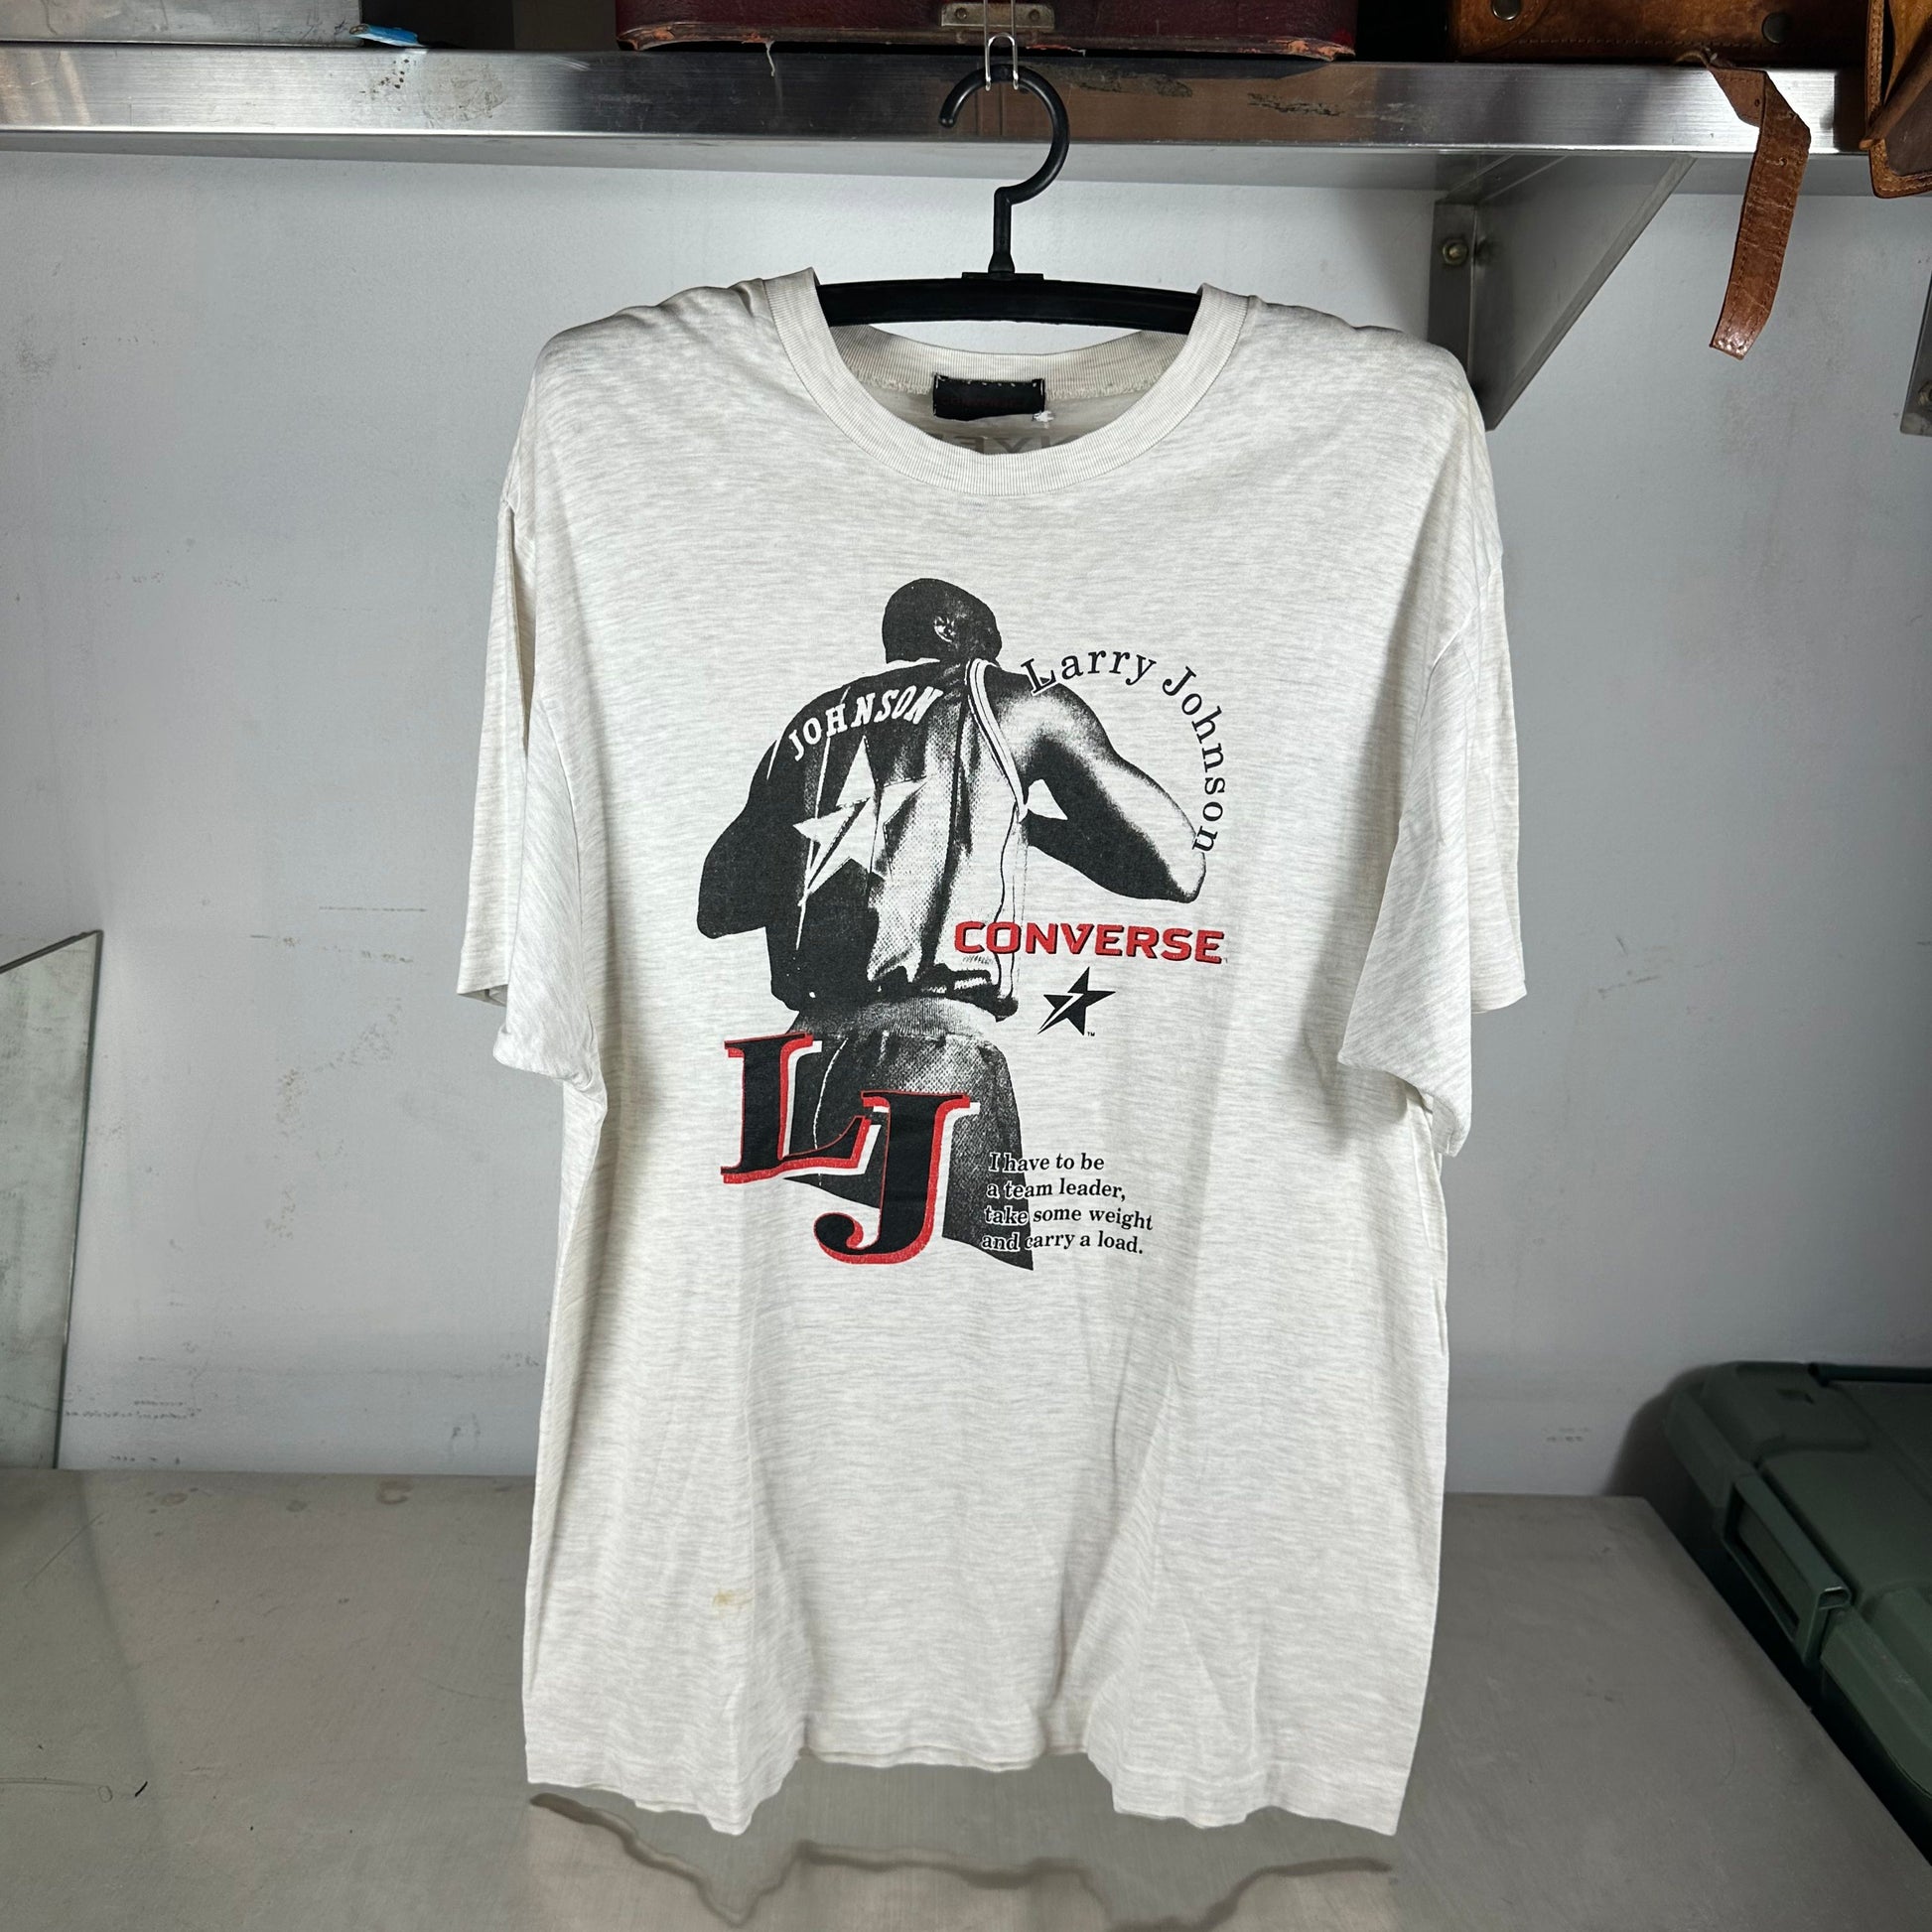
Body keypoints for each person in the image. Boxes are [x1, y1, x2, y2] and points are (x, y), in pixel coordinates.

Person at [699, 577, 1201, 1267]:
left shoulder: (809, 727)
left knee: (821, 1292)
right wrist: (1025, 822)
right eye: (989, 642)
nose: (997, 658)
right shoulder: (1014, 699)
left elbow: (719, 905)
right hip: (930, 1061)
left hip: (798, 1063)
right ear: (949, 631)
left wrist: (835, 845)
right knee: (975, 1295)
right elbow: (1178, 867)